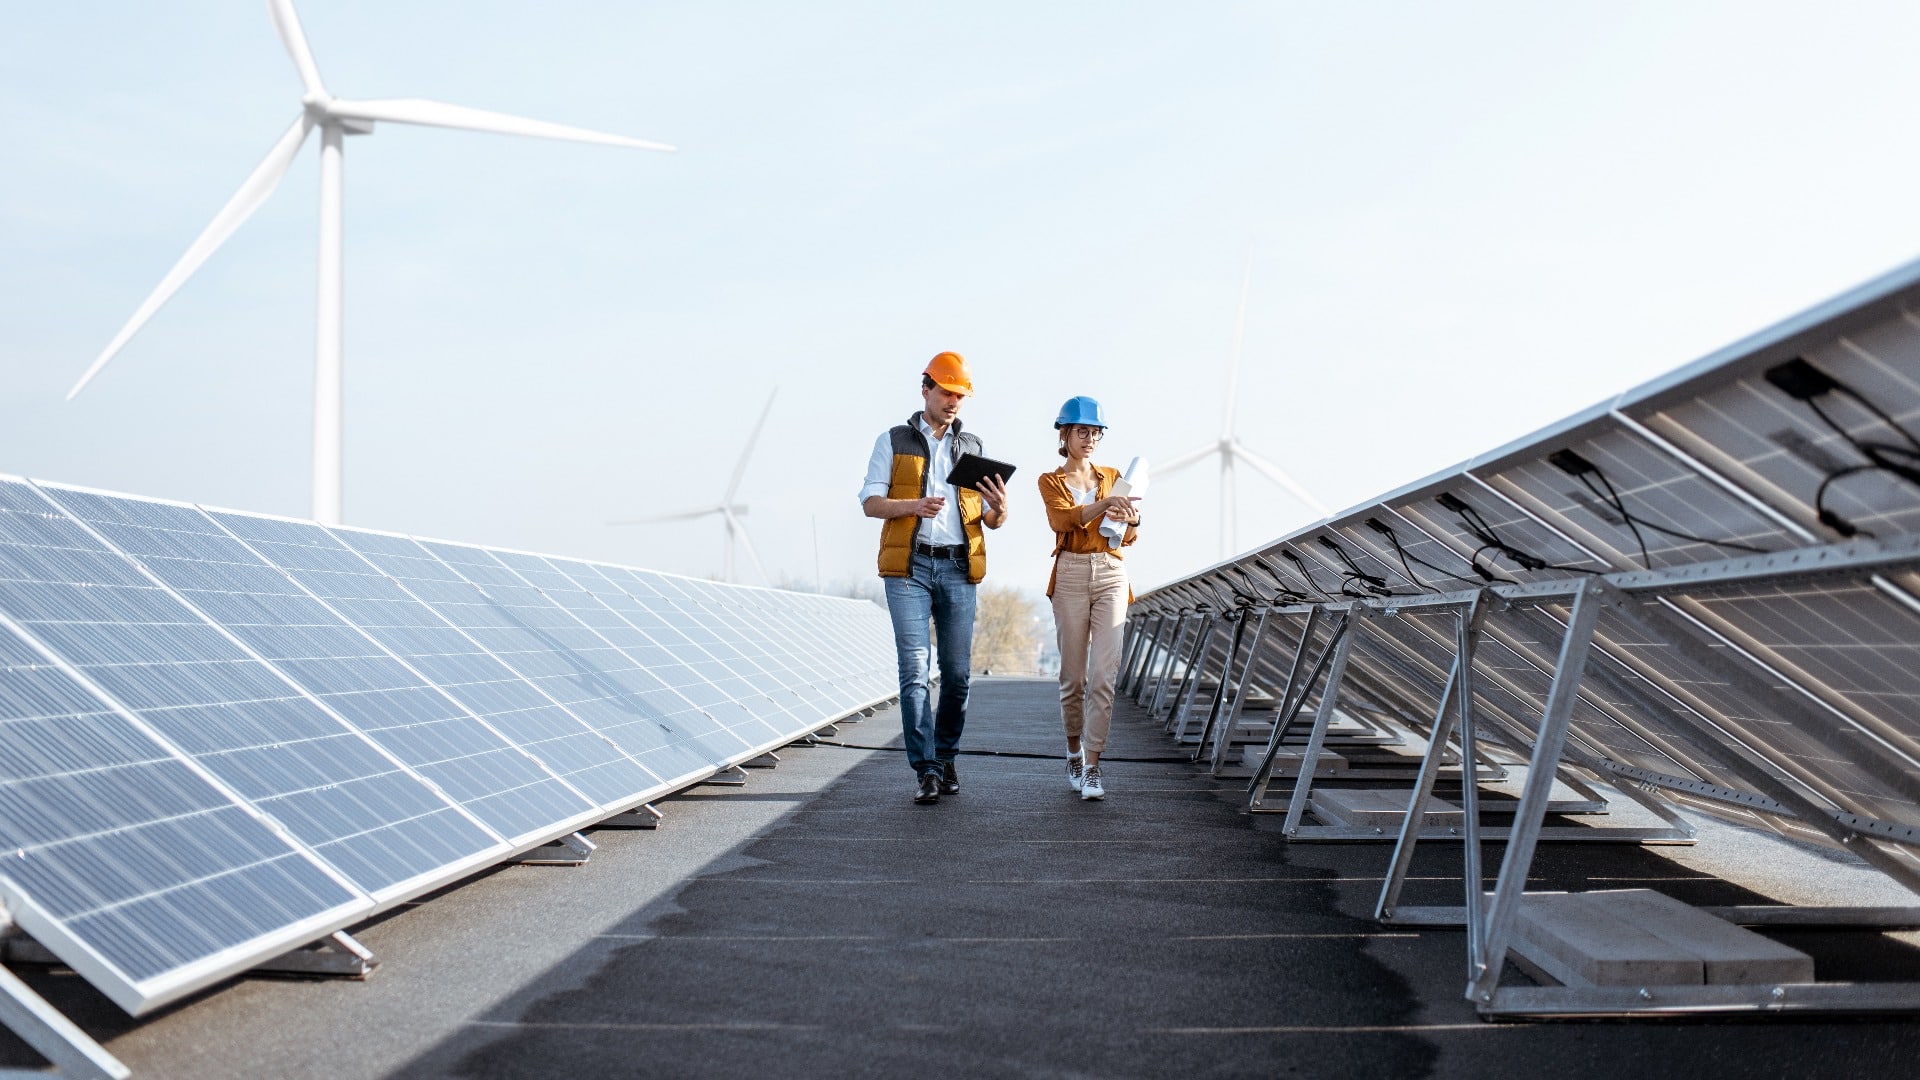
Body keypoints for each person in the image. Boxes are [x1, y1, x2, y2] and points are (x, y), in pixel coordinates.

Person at [861, 352, 1009, 804]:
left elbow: (988, 517)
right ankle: (924, 768)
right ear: (925, 388)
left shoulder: (973, 447)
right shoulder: (894, 440)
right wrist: (913, 506)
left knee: (959, 675)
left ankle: (945, 757)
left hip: (959, 567)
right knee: (915, 671)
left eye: (960, 395)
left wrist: (1000, 510)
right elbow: (870, 502)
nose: (953, 402)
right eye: (947, 392)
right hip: (909, 567)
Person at [1037, 396, 1138, 801]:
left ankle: (1094, 767)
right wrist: (1104, 504)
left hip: (1111, 571)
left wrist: (1130, 520)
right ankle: (1073, 751)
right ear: (1065, 434)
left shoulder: (1113, 476)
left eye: (1095, 432)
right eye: (1082, 431)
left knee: (1103, 677)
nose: (1090, 438)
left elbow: (1127, 537)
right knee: (1073, 679)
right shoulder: (1050, 480)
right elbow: (1061, 520)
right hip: (1071, 574)